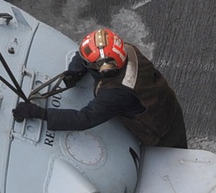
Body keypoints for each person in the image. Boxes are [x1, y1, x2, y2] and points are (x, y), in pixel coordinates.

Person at [13, 26, 188, 148]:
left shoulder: (117, 92)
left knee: (172, 167)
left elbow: (83, 119)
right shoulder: (124, 49)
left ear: (105, 71)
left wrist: (37, 113)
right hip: (166, 104)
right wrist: (76, 70)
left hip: (160, 130)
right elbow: (85, 54)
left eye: (88, 64)